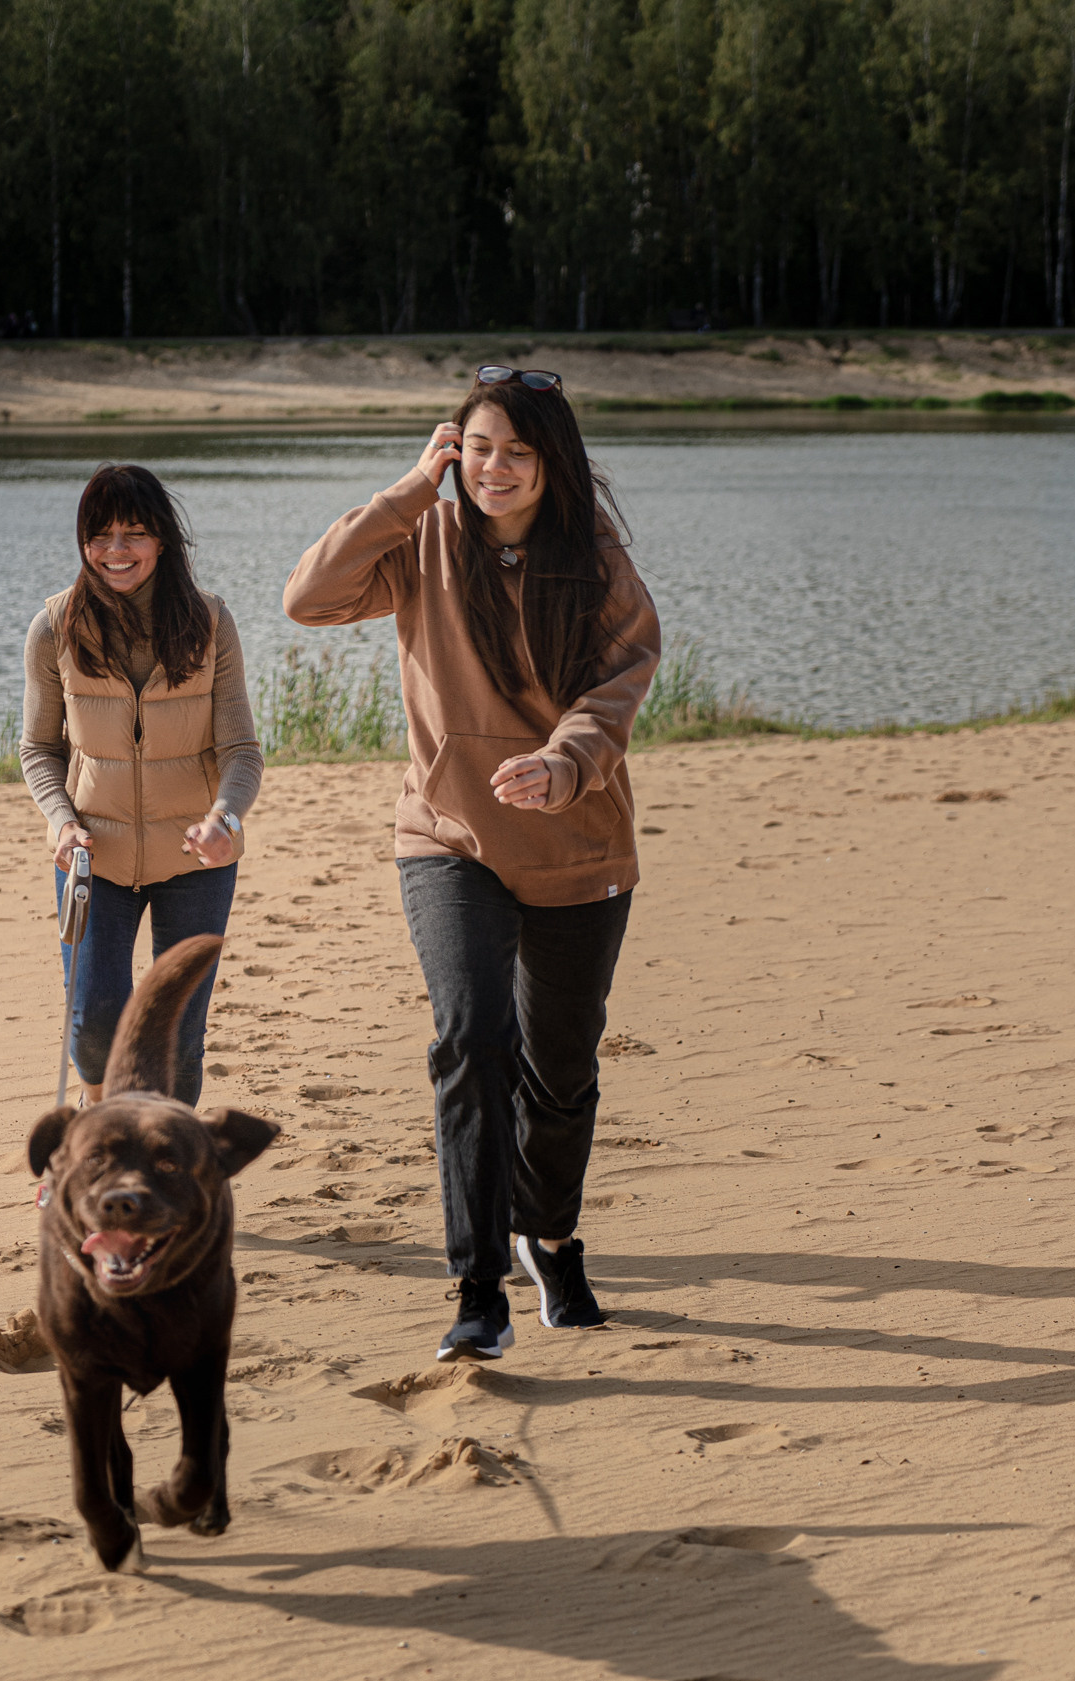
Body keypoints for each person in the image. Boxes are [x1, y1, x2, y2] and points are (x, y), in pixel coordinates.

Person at [284, 367, 661, 1361]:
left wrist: (564, 759)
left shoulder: (597, 563)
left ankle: (551, 1238)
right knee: (470, 1039)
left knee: (562, 1073)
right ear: (454, 448)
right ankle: (477, 1285)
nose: (495, 469)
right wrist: (411, 489)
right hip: (446, 836)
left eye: (517, 453)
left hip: (577, 843)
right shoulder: (424, 542)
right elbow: (308, 598)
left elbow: (622, 683)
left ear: (552, 465)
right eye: (478, 447)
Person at [21, 463, 262, 1107]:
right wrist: (61, 821)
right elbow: (39, 748)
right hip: (92, 857)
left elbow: (242, 751)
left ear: (163, 539)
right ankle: (101, 1112)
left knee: (178, 1033)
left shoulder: (210, 624)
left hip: (195, 861)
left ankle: (171, 1157)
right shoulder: (55, 627)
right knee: (95, 1021)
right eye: (100, 536)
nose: (116, 552)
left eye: (133, 533)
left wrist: (226, 820)